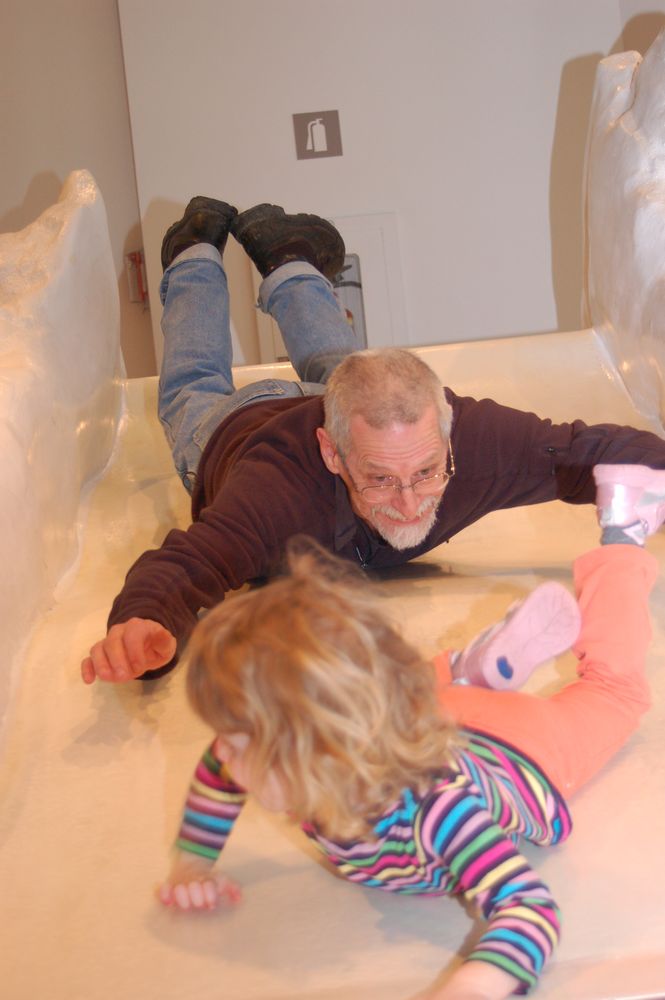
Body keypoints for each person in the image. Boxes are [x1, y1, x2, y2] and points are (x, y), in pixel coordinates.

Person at [81, 196, 665, 685]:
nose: (409, 504)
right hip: (233, 427)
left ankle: (284, 256)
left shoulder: (466, 439)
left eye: (426, 473)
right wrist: (145, 622)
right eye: (380, 480)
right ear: (332, 453)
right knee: (190, 386)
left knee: (345, 365)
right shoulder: (275, 496)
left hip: (337, 399)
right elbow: (189, 563)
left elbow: (591, 452)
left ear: (446, 431)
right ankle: (194, 252)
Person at [158, 464, 665, 1000]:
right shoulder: (326, 744)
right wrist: (192, 864)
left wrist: (471, 990)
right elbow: (218, 773)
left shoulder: (439, 811)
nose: (220, 755)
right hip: (432, 711)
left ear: (314, 753)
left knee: (615, 690)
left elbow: (527, 910)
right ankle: (464, 670)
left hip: (519, 747)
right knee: (365, 691)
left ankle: (624, 530)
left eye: (236, 743)